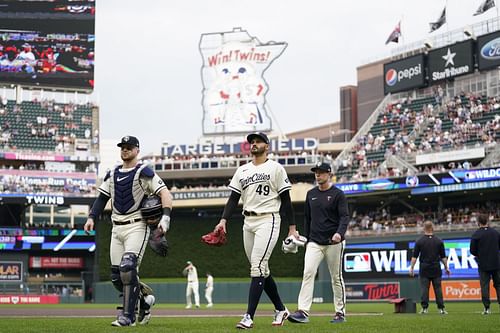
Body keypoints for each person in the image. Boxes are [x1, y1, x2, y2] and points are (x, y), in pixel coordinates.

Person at [84, 135, 173, 327]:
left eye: (129, 147)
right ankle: (145, 302)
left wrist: (165, 217)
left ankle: (128, 317)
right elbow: (101, 198)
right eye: (123, 147)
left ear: (137, 150)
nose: (125, 149)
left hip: (137, 226)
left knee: (127, 267)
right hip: (116, 228)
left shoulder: (144, 171)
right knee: (117, 277)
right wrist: (92, 216)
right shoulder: (113, 172)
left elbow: (164, 193)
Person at [213, 132, 298, 329]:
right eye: (252, 141)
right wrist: (223, 221)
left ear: (267, 146)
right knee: (262, 269)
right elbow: (233, 199)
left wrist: (292, 227)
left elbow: (286, 200)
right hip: (248, 222)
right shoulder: (242, 170)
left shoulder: (276, 168)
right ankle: (280, 309)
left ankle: (248, 316)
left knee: (257, 267)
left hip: (268, 219)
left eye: (258, 141)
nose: (254, 144)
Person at [288, 162, 349, 324]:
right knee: (308, 273)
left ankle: (340, 313)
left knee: (336, 277)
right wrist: (307, 239)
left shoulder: (338, 194)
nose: (318, 175)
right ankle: (302, 311)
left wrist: (339, 233)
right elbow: (307, 219)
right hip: (314, 242)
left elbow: (344, 217)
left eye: (321, 172)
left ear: (329, 174)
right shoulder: (311, 194)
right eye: (316, 172)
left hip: (334, 242)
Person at [409, 220, 450, 315]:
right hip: (436, 268)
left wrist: (411, 267)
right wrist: (446, 267)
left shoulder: (419, 241)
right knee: (438, 289)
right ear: (432, 228)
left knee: (424, 289)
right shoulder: (439, 241)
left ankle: (424, 309)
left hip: (424, 268)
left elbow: (414, 256)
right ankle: (441, 309)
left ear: (424, 228)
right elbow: (443, 257)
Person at [470, 214, 500, 315]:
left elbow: (472, 251)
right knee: (498, 285)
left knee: (484, 286)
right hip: (496, 263)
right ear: (487, 221)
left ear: (478, 222)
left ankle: (487, 308)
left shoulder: (476, 234)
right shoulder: (495, 233)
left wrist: (481, 254)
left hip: (483, 264)